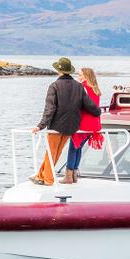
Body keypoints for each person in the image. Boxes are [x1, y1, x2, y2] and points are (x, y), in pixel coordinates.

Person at [31, 57, 102, 186]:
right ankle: (41, 175)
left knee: (51, 151)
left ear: (59, 71)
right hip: (72, 126)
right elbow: (90, 106)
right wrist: (97, 112)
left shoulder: (54, 86)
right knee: (56, 152)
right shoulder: (78, 86)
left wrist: (40, 126)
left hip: (57, 125)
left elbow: (50, 108)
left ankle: (47, 179)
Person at [63, 67, 103, 184]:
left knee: (73, 148)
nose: (78, 77)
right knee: (78, 147)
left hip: (83, 123)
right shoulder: (95, 89)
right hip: (94, 124)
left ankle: (69, 176)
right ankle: (74, 175)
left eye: (80, 75)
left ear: (86, 76)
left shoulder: (82, 87)